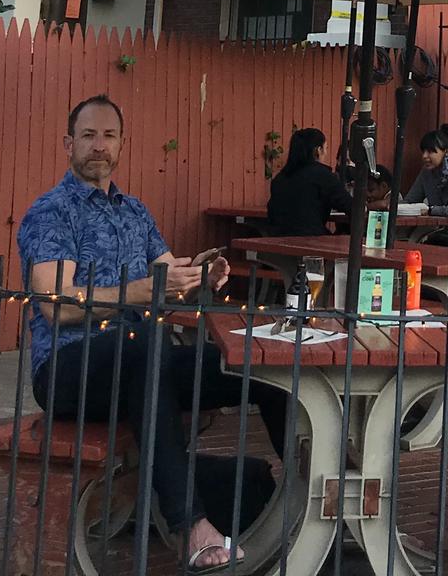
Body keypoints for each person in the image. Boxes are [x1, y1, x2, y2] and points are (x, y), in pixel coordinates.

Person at [19, 94, 288, 572]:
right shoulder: (53, 212)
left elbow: (169, 276)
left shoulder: (135, 212)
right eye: (88, 135)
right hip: (68, 368)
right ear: (68, 144)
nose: (98, 146)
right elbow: (56, 305)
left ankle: (314, 493)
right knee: (143, 346)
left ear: (122, 145)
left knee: (257, 363)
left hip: (141, 363)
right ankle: (190, 525)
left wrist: (201, 275)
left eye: (108, 136)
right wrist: (144, 290)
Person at [264, 126, 352, 237]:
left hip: (276, 241)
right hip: (309, 241)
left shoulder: (280, 178)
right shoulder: (323, 176)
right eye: (326, 148)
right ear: (318, 150)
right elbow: (350, 206)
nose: (325, 153)